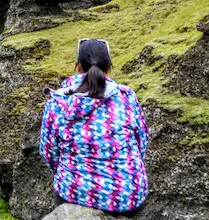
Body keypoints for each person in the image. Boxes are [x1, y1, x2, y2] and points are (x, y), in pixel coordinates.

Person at [39, 38, 149, 216]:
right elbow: (141, 143)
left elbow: (48, 153)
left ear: (78, 66)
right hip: (127, 195)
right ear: (108, 67)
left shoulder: (57, 103)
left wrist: (71, 172)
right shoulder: (127, 97)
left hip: (73, 191)